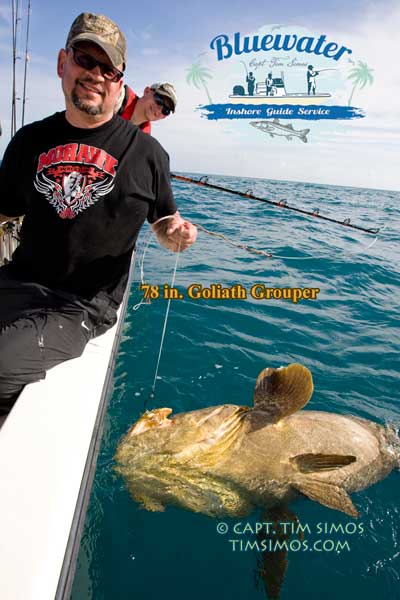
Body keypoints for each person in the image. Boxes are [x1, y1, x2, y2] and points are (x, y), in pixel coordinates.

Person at [0, 12, 197, 416]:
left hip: (80, 306)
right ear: (62, 63)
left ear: (119, 82)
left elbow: (163, 221)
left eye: (107, 68)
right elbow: (4, 212)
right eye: (84, 60)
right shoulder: (28, 140)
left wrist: (175, 233)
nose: (95, 75)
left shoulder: (148, 154)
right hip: (18, 281)